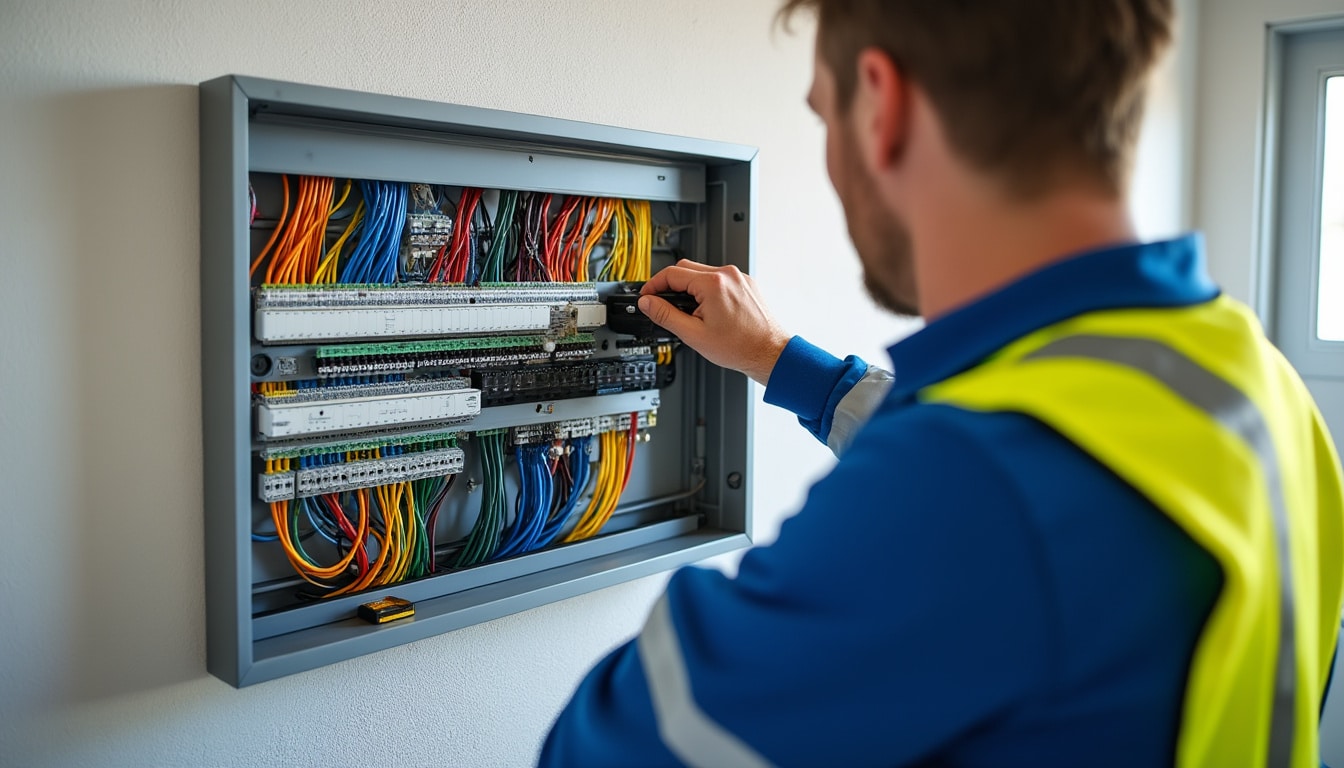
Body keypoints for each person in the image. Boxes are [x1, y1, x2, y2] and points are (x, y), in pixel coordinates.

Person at [539, 1, 1344, 765]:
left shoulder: (970, 481)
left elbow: (612, 748)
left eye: (825, 117)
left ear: (882, 103)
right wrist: (785, 362)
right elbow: (1050, 453)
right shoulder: (1255, 384)